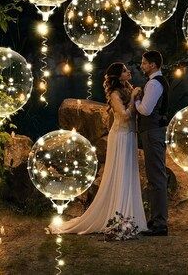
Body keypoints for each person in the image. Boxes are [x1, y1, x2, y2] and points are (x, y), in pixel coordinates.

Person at [49, 62, 147, 234]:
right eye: (124, 71)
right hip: (121, 136)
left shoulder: (127, 88)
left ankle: (131, 217)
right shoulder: (115, 94)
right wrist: (133, 98)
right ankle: (119, 216)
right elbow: (123, 116)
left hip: (131, 136)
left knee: (129, 173)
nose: (128, 71)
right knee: (121, 173)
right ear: (117, 77)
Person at [134, 50, 169, 236]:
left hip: (153, 132)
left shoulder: (154, 84)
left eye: (144, 63)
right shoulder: (156, 82)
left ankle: (160, 224)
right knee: (156, 176)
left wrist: (137, 99)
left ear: (153, 65)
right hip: (155, 132)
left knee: (156, 177)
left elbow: (146, 110)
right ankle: (156, 218)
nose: (142, 66)